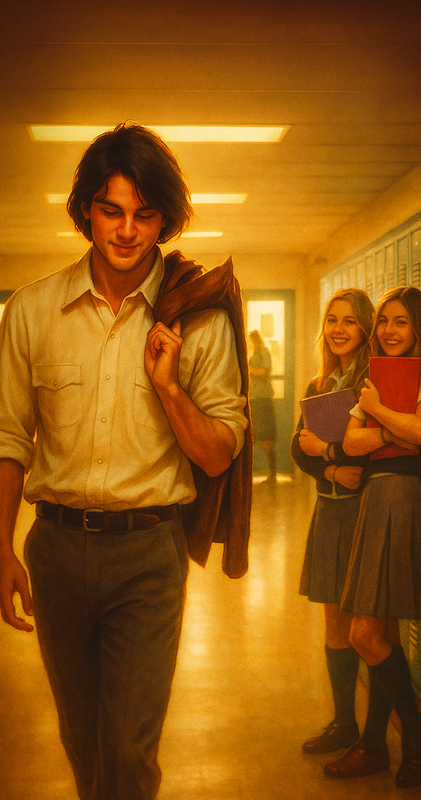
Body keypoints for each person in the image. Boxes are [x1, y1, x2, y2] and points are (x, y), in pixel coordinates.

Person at [0, 122, 248, 800]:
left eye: (144, 213)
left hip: (148, 551)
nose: (127, 230)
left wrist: (169, 389)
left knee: (129, 746)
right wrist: (2, 547)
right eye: (111, 210)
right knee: (83, 740)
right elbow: (9, 438)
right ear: (86, 209)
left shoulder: (196, 317)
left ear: (164, 218)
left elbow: (220, 453)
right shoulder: (31, 311)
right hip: (53, 546)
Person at [324, 286, 421, 789]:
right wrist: (391, 426)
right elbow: (353, 442)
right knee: (373, 632)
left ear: (418, 325)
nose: (388, 331)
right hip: (377, 499)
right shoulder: (376, 370)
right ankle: (401, 737)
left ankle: (412, 735)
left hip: (405, 498)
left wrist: (383, 417)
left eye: (399, 322)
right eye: (384, 322)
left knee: (366, 633)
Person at [290, 288, 374, 755]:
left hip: (364, 512)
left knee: (371, 627)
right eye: (332, 320)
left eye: (349, 321)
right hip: (329, 508)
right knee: (334, 620)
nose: (339, 329)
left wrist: (331, 456)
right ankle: (344, 723)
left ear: (364, 328)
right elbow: (295, 448)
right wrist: (330, 468)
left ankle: (381, 734)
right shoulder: (318, 385)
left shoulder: (373, 381)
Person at [248, 329, 277, 481]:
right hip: (254, 397)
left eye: (254, 340)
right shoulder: (254, 353)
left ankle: (272, 473)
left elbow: (265, 371)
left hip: (263, 397)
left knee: (267, 437)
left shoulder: (263, 352)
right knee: (253, 434)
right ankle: (250, 471)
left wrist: (250, 371)